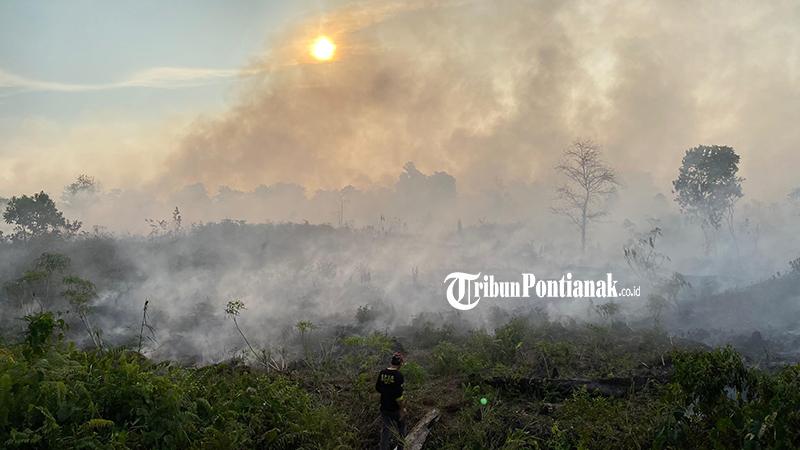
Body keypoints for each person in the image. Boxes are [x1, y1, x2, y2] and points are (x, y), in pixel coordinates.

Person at [375, 352, 406, 450]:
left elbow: (378, 388)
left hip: (384, 407)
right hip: (395, 408)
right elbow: (399, 396)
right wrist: (402, 410)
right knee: (402, 426)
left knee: (385, 430)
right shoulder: (398, 375)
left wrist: (386, 392)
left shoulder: (382, 372)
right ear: (400, 363)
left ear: (391, 362)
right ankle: (401, 448)